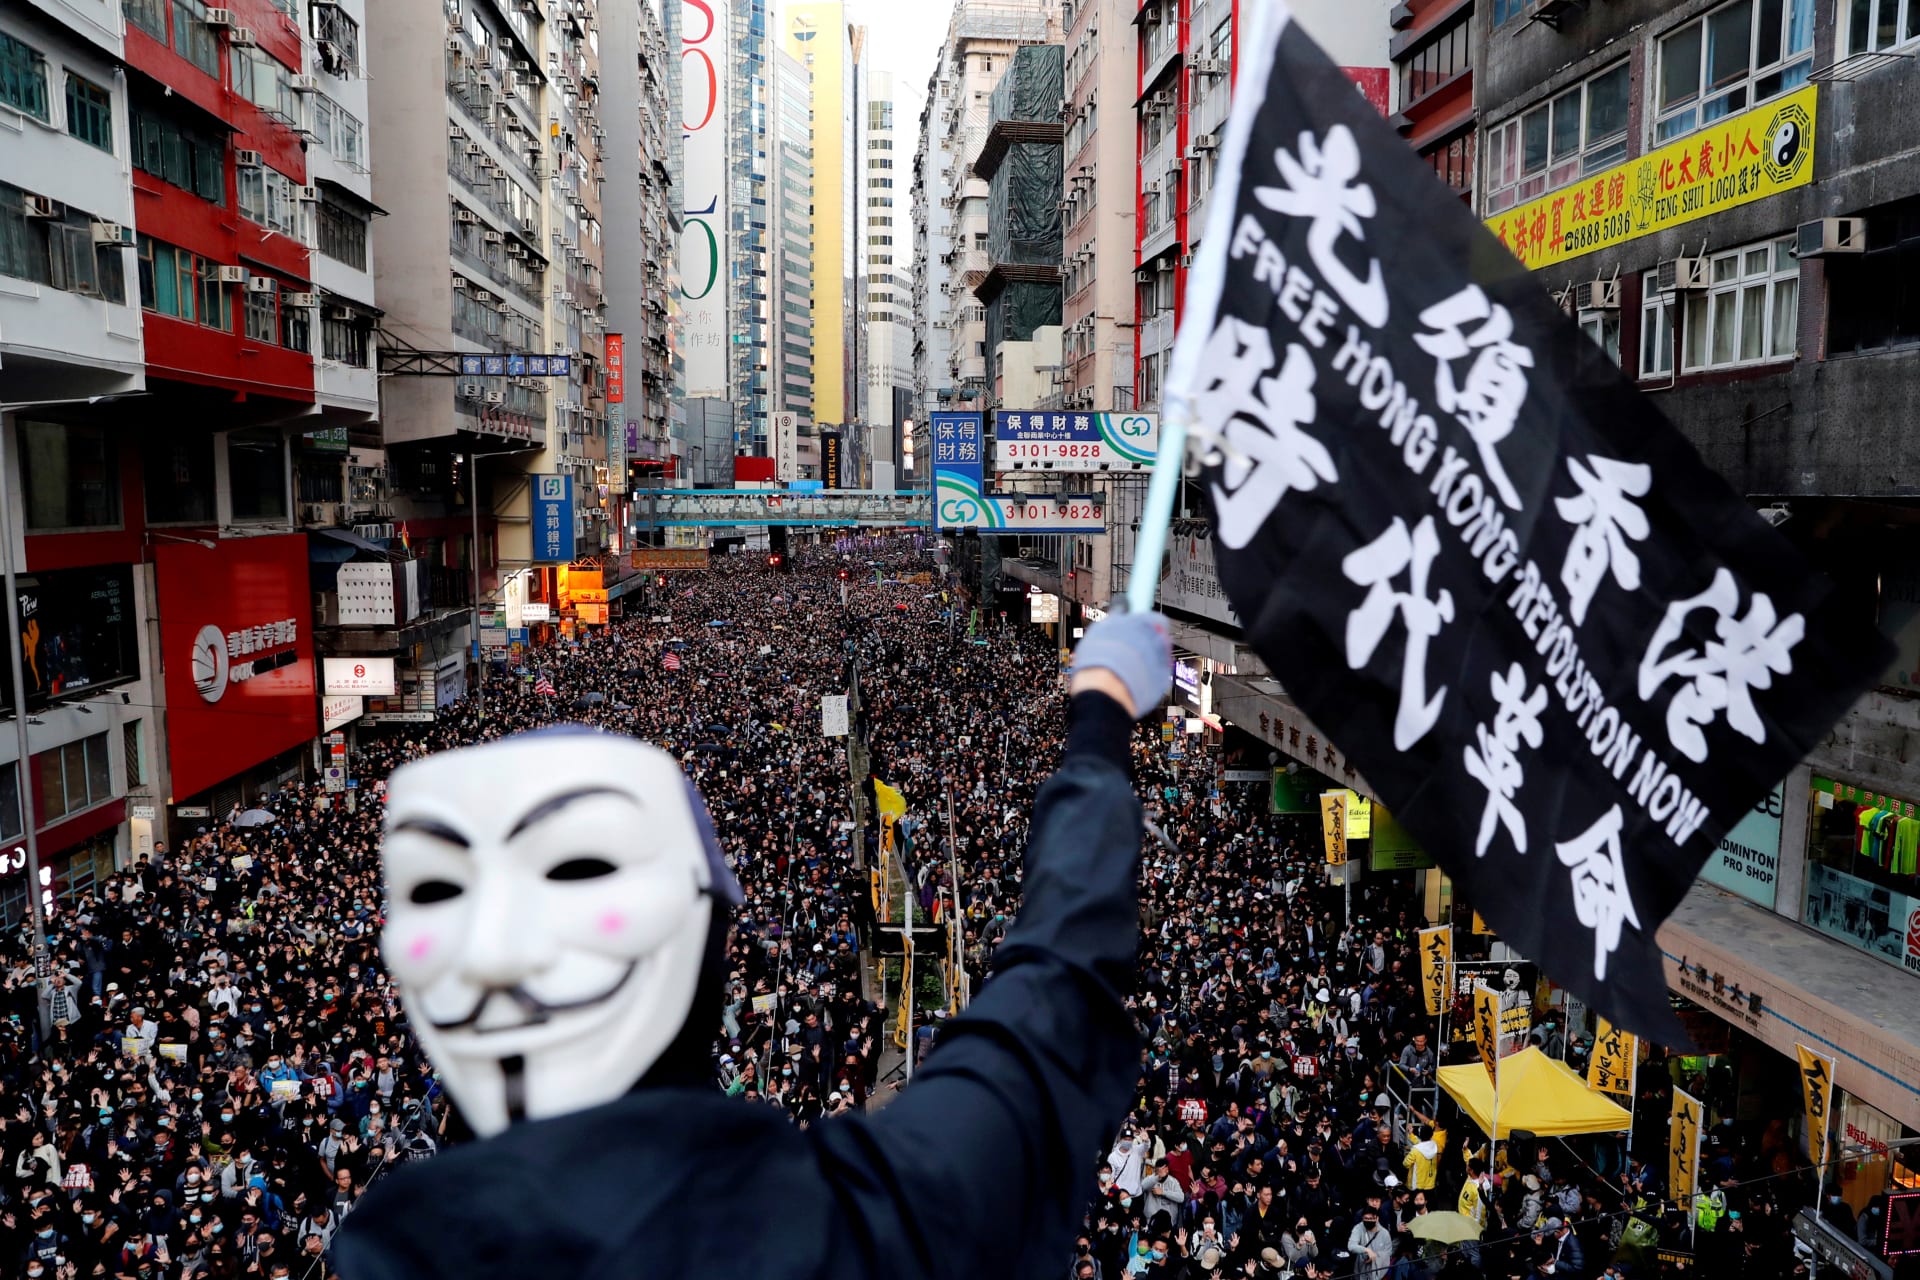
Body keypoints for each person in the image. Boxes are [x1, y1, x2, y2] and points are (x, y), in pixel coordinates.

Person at [333, 609, 1174, 1279]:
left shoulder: (380, 1249)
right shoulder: (870, 1227)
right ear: (718, 944)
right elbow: (1053, 984)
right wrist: (1097, 709)